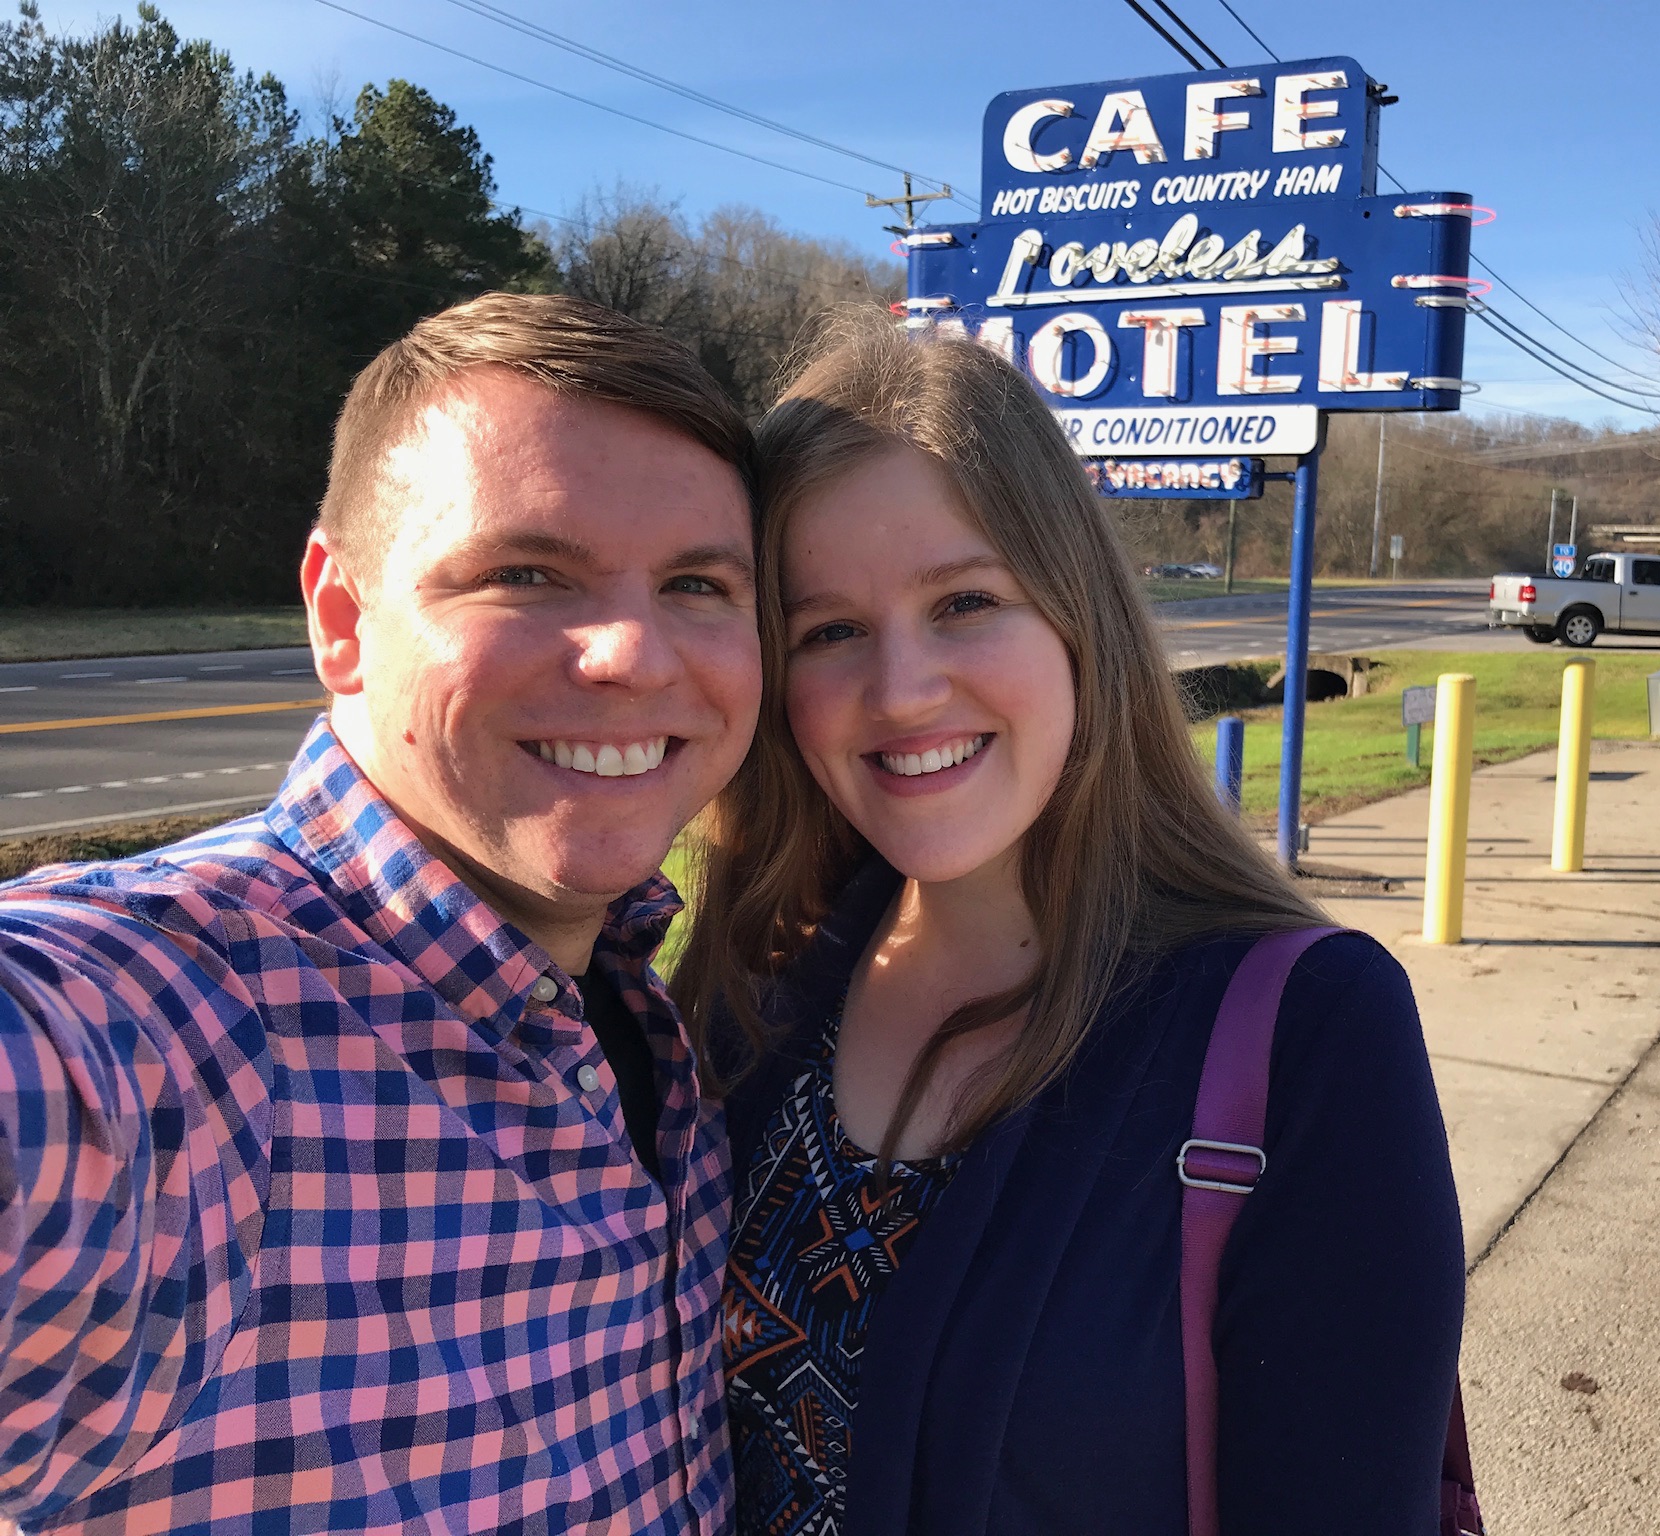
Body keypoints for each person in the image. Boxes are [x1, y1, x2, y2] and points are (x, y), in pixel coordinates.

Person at [678, 312, 1466, 1536]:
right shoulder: (754, 985)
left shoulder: (1304, 1031)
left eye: (964, 601)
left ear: (1075, 619)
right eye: (827, 630)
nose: (898, 690)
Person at [0, 294, 760, 1533]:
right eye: (523, 572)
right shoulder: (177, 1031)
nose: (633, 651)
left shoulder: (665, 1022)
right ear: (342, 619)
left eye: (696, 584)